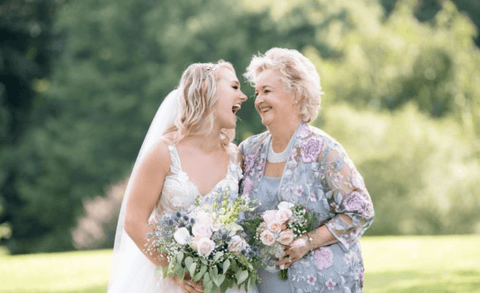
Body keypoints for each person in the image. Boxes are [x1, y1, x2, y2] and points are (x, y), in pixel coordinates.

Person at [239, 48, 375, 293]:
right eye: (257, 92)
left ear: (296, 94)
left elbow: (360, 210)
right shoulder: (249, 151)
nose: (258, 100)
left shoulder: (324, 150)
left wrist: (307, 242)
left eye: (267, 91)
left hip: (320, 284)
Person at [108, 61, 250, 293]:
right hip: (168, 282)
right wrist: (176, 272)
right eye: (234, 87)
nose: (243, 96)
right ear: (207, 89)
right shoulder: (163, 153)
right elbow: (134, 221)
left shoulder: (236, 158)